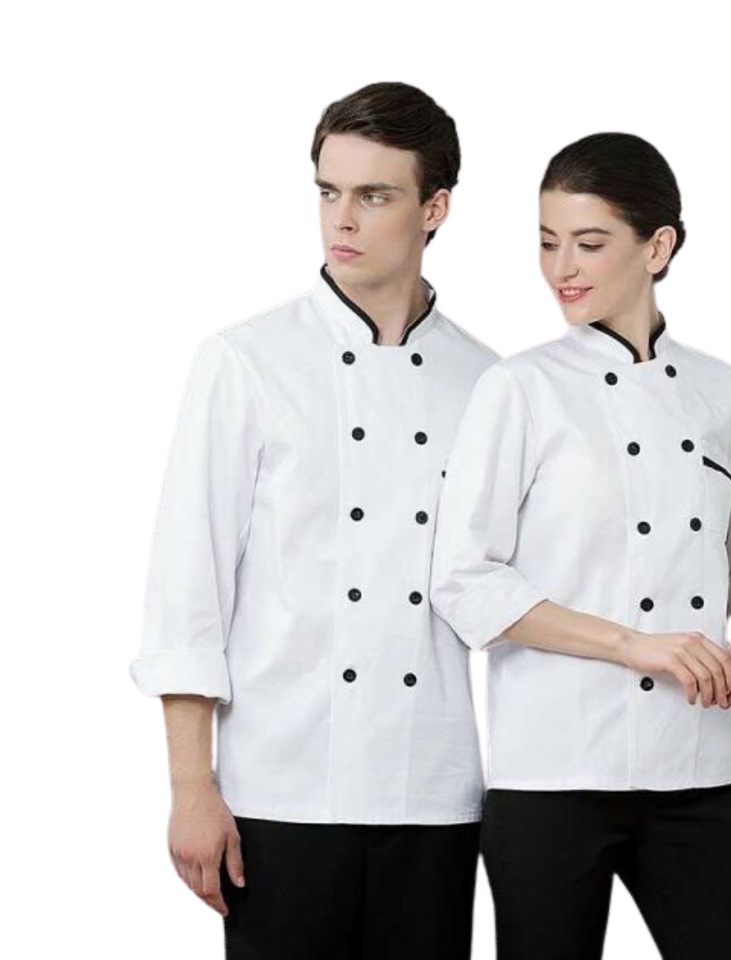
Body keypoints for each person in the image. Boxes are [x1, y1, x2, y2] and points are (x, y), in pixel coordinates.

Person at [129, 82, 498, 960]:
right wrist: (191, 787)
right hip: (279, 790)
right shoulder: (246, 362)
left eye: (374, 194)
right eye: (329, 191)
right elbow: (189, 591)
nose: (344, 218)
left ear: (435, 208)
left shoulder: (491, 382)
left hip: (433, 791)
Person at [429, 132, 731, 959]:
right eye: (548, 241)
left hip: (698, 764)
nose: (562, 267)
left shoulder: (723, 393)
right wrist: (638, 645)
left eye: (589, 244)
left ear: (657, 248)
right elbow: (464, 580)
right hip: (553, 772)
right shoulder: (519, 388)